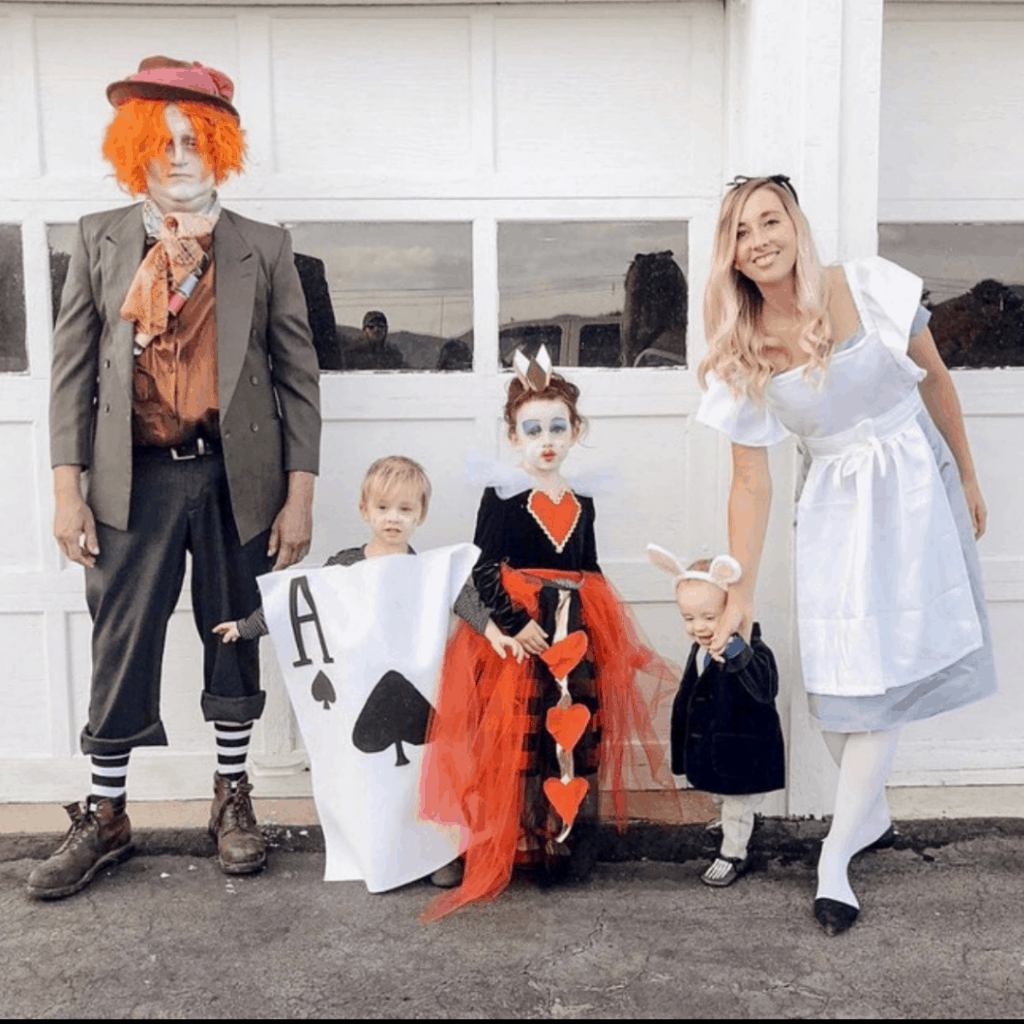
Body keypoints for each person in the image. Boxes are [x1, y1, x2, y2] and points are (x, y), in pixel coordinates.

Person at [32, 56, 321, 900]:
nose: (181, 156)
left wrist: (299, 492)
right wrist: (65, 487)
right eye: (163, 142)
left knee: (234, 633)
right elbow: (69, 374)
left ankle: (232, 798)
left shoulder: (263, 247)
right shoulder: (98, 238)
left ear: (220, 147)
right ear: (136, 150)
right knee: (120, 640)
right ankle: (106, 811)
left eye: (198, 141)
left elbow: (298, 375)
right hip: (136, 480)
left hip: (240, 481)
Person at [696, 175, 997, 934]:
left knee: (886, 670)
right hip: (834, 504)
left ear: (796, 225)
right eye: (741, 230)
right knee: (840, 683)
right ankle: (872, 815)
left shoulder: (868, 285)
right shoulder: (741, 347)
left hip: (915, 488)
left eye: (771, 220)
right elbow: (748, 481)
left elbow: (939, 386)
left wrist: (964, 472)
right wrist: (740, 590)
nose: (759, 238)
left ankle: (837, 853)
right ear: (728, 252)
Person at [421, 347, 674, 920]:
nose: (546, 441)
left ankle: (558, 841)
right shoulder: (503, 498)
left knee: (568, 737)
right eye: (532, 430)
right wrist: (515, 623)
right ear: (513, 437)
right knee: (515, 739)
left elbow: (593, 570)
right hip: (521, 639)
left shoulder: (583, 503)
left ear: (576, 430)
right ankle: (501, 842)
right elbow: (482, 570)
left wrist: (614, 639)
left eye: (557, 427)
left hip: (574, 634)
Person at [214, 455, 522, 889]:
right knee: (373, 776)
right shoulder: (345, 566)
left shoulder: (430, 570)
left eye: (404, 509)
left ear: (420, 514)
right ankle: (377, 850)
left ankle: (436, 852)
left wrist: (495, 634)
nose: (392, 519)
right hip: (362, 691)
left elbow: (464, 598)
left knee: (425, 772)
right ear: (365, 510)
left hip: (420, 687)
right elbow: (300, 603)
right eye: (383, 508)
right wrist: (247, 627)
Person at [648, 546, 784, 887]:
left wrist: (736, 651)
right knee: (724, 797)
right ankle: (730, 823)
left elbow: (765, 687)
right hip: (716, 745)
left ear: (733, 609)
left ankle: (734, 853)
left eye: (710, 617)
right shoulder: (700, 648)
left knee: (737, 803)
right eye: (689, 618)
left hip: (743, 752)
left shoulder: (749, 649)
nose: (699, 627)